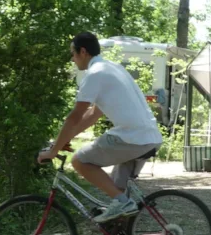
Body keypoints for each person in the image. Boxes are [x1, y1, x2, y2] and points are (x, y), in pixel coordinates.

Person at [38, 32, 163, 222]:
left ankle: (122, 202)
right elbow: (93, 114)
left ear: (83, 51)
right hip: (149, 138)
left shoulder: (94, 74)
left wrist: (53, 151)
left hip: (131, 137)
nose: (72, 59)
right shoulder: (112, 68)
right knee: (117, 192)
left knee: (80, 161)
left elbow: (75, 116)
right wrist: (64, 140)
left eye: (73, 53)